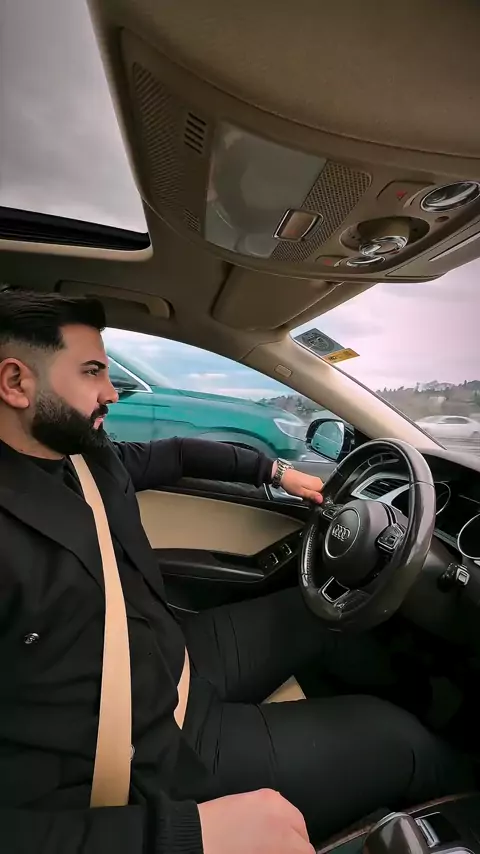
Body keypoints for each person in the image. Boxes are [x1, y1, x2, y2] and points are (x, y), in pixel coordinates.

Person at [0, 290, 472, 854]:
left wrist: (276, 472)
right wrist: (181, 836)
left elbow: (179, 454)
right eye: (91, 371)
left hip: (175, 657)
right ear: (16, 382)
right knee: (403, 745)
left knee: (328, 616)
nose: (111, 390)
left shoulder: (85, 459)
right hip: (143, 750)